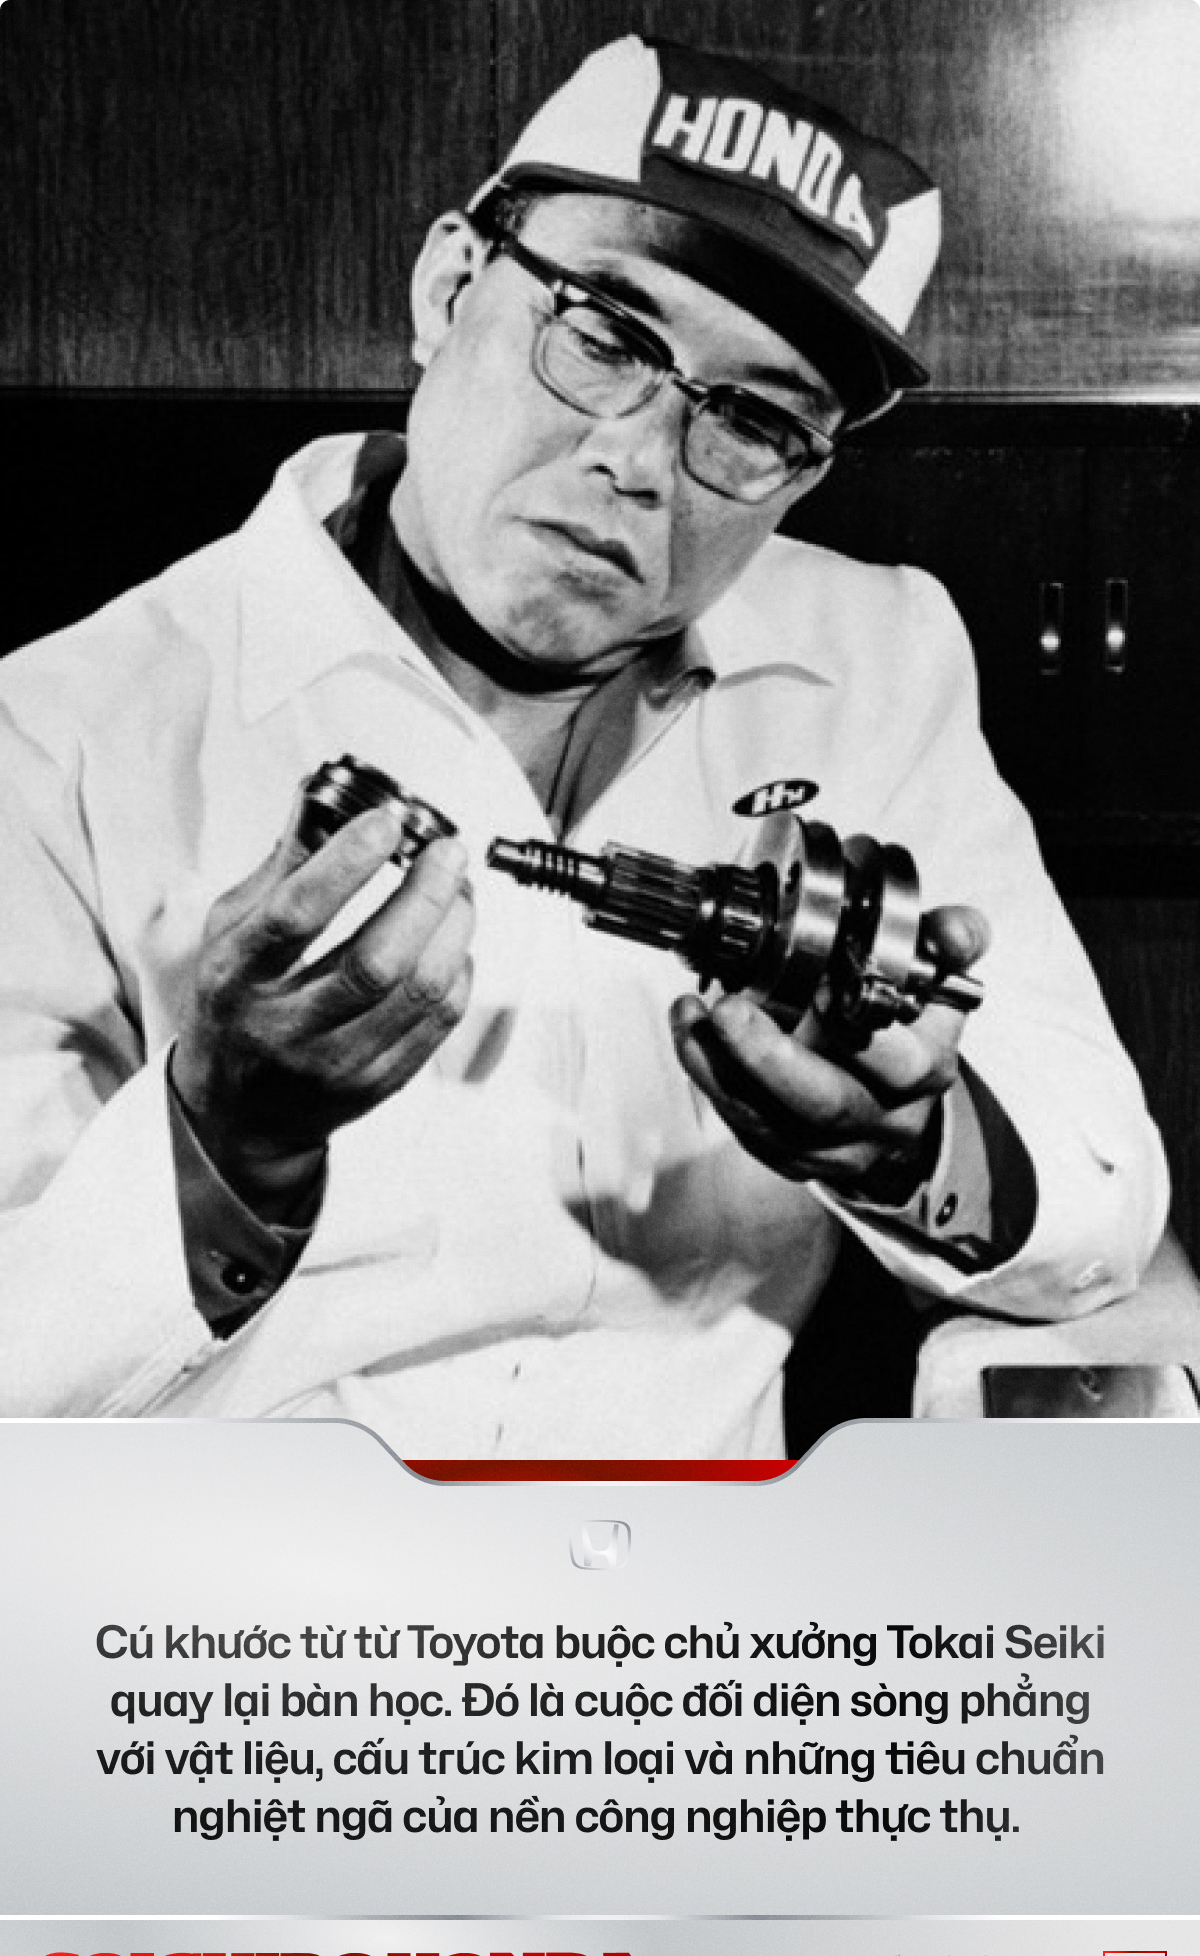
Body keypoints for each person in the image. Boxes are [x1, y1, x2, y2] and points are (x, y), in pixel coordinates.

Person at [0, 35, 1168, 1451]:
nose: (637, 459)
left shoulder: (877, 661)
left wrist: (905, 1143)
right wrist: (224, 1143)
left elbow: (1104, 1189)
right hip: (263, 1567)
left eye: (751, 420)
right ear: (449, 288)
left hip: (721, 1562)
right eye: (605, 337)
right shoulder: (61, 731)